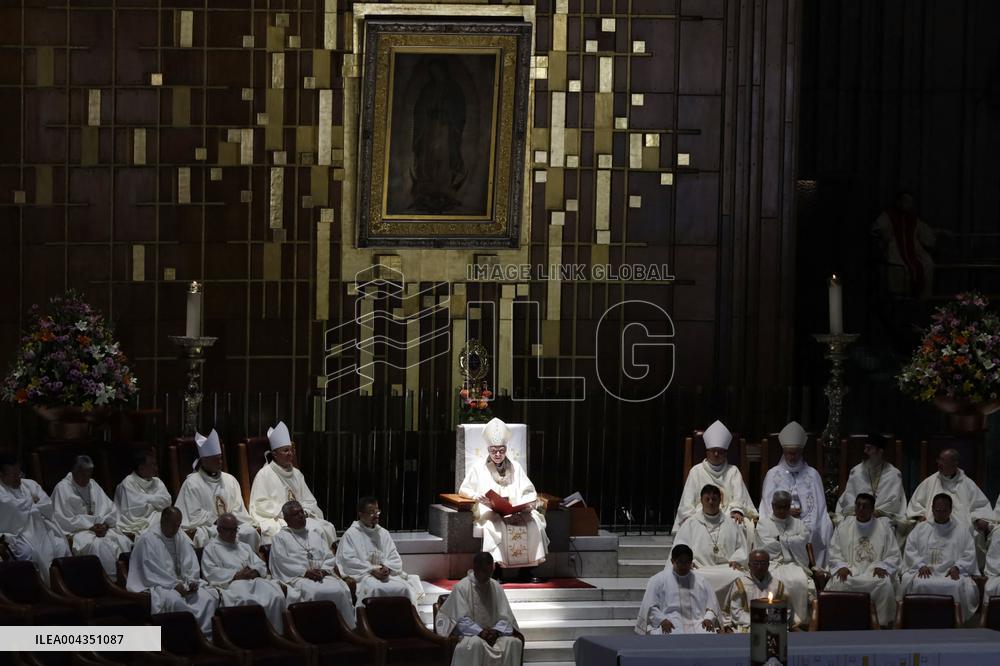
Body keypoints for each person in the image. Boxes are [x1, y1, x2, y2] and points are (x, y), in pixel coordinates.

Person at [459, 418, 548, 579]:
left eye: (501, 450)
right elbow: (464, 489)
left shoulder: (515, 466)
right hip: (491, 510)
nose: (498, 454)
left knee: (534, 522)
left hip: (515, 510)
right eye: (494, 451)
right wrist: (476, 496)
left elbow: (528, 489)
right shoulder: (479, 468)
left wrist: (526, 502)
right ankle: (497, 568)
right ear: (488, 449)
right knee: (493, 526)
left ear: (506, 449)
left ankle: (526, 571)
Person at [127, 507, 220, 638]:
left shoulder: (179, 537)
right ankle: (186, 638)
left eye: (178, 525)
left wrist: (191, 582)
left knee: (208, 597)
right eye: (173, 524)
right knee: (176, 602)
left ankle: (206, 637)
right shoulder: (148, 539)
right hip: (161, 586)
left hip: (182, 584)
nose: (176, 529)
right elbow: (150, 571)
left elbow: (190, 561)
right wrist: (173, 585)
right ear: (163, 521)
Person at [249, 420, 337, 547]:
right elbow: (259, 504)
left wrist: (304, 512)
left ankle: (317, 562)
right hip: (280, 519)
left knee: (325, 528)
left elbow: (309, 501)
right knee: (279, 532)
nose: (290, 454)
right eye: (285, 450)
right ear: (274, 454)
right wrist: (286, 514)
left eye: (291, 450)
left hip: (301, 518)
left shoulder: (297, 474)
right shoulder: (264, 474)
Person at [269, 500, 356, 628]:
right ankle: (314, 630)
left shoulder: (315, 534)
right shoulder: (280, 538)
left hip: (322, 575)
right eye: (296, 514)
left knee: (339, 589)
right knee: (314, 592)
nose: (301, 516)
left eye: (302, 512)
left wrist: (324, 570)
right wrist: (304, 572)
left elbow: (329, 556)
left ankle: (344, 628)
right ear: (287, 518)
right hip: (299, 578)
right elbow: (281, 562)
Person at [759, 421, 833, 567]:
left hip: (805, 521)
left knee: (819, 527)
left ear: (801, 452)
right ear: (784, 452)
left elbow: (820, 507)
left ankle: (813, 569)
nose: (792, 457)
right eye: (789, 453)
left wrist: (803, 515)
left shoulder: (812, 474)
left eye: (795, 453)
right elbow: (768, 505)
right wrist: (786, 513)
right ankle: (780, 565)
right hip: (779, 521)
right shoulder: (773, 474)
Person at [899, 493, 979, 625]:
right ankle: (919, 621)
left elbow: (969, 553)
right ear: (932, 508)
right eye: (938, 510)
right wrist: (920, 565)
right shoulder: (921, 528)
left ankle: (953, 622)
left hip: (951, 574)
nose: (941, 513)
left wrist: (958, 567)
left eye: (944, 510)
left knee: (956, 585)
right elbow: (910, 549)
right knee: (920, 583)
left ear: (951, 509)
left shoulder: (961, 530)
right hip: (925, 572)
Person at [174, 429, 260, 550]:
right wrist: (218, 520)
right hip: (209, 527)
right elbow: (193, 515)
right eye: (215, 459)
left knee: (249, 533)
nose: (220, 462)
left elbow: (238, 509)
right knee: (208, 536)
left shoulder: (230, 480)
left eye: (220, 458)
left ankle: (246, 563)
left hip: (233, 525)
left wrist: (230, 521)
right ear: (204, 461)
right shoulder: (192, 483)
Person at [824, 493, 901, 627]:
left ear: (872, 509)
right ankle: (843, 622)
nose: (860, 509)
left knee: (885, 584)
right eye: (858, 505)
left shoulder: (884, 528)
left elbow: (893, 554)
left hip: (874, 573)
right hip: (849, 571)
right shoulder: (844, 526)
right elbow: (834, 551)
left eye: (865, 506)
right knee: (840, 583)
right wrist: (841, 566)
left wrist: (884, 567)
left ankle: (881, 623)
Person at [906, 448, 993, 565]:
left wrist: (978, 518)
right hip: (934, 522)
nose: (939, 464)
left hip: (962, 524)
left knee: (975, 535)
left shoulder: (967, 483)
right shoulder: (930, 481)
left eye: (943, 460)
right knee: (920, 531)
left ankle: (963, 567)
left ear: (955, 463)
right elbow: (916, 504)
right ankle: (925, 565)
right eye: (939, 460)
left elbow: (980, 506)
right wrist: (920, 516)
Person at [201, 513, 286, 632]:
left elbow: (260, 564)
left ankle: (276, 632)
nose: (233, 533)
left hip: (254, 581)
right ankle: (249, 636)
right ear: (219, 529)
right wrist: (235, 575)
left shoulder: (243, 546)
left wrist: (255, 571)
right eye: (228, 530)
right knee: (245, 599)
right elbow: (210, 572)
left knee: (276, 596)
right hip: (232, 584)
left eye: (235, 529)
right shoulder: (211, 548)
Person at [672, 420, 757, 538]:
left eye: (720, 451)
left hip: (727, 513)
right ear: (707, 452)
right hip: (701, 513)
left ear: (726, 453)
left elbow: (739, 496)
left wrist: (737, 510)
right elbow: (687, 501)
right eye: (713, 451)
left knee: (739, 525)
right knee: (694, 525)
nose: (716, 454)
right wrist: (690, 517)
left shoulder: (733, 471)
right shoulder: (696, 471)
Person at [435, 552, 521, 666]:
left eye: (491, 572)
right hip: (471, 635)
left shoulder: (495, 586)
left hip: (493, 635)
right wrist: (480, 632)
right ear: (475, 568)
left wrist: (496, 631)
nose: (488, 576)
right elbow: (460, 620)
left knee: (512, 643)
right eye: (485, 571)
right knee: (475, 645)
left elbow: (505, 616)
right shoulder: (462, 587)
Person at [51, 455, 132, 576]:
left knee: (122, 541)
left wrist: (104, 525)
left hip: (101, 529)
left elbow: (110, 508)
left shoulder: (92, 484)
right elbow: (63, 519)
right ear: (75, 472)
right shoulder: (62, 488)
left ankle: (125, 578)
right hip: (78, 531)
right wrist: (90, 526)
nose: (87, 479)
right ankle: (108, 581)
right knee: (100, 546)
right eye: (84, 474)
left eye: (89, 474)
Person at [336, 496, 423, 606]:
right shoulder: (351, 534)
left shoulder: (383, 533)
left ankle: (404, 622)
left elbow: (394, 557)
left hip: (387, 576)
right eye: (371, 512)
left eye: (377, 511)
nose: (376, 515)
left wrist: (387, 567)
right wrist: (371, 569)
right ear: (361, 514)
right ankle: (370, 621)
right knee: (375, 589)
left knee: (404, 589)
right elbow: (348, 560)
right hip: (365, 577)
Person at [0, 452, 70, 584]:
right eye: (13, 474)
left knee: (60, 547)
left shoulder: (30, 484)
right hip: (17, 534)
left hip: (41, 528)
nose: (18, 477)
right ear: (1, 474)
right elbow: (10, 510)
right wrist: (31, 502)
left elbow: (47, 505)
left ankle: (60, 586)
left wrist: (26, 506)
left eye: (19, 472)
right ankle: (36, 590)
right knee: (30, 553)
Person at [672, 484, 747, 601]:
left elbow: (741, 547)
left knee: (740, 577)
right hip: (700, 568)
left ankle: (730, 612)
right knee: (690, 576)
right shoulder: (690, 523)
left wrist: (737, 559)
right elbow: (681, 546)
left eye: (714, 499)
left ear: (720, 500)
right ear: (701, 500)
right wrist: (686, 561)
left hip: (725, 569)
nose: (711, 502)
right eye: (707, 499)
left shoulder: (731, 524)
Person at [753, 490, 814, 627]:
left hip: (794, 563)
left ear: (789, 506)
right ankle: (774, 621)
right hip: (772, 563)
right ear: (773, 505)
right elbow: (767, 546)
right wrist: (791, 541)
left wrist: (781, 539)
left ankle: (798, 621)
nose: (781, 510)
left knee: (798, 580)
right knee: (772, 582)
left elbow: (803, 539)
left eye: (785, 507)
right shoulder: (763, 523)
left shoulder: (798, 524)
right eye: (778, 507)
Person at [635, 544, 720, 635]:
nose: (684, 566)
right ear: (672, 561)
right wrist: (662, 620)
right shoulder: (658, 580)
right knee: (668, 634)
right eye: (680, 562)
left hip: (697, 623)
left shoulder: (701, 581)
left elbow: (711, 606)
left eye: (687, 562)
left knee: (707, 633)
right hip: (670, 622)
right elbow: (651, 607)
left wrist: (708, 618)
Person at [835, 434, 908, 539]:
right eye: (865, 448)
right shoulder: (856, 472)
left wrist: (875, 512)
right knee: (846, 527)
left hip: (882, 516)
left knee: (886, 528)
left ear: (880, 451)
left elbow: (894, 503)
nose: (865, 451)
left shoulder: (894, 474)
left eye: (869, 448)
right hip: (857, 514)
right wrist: (861, 511)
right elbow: (849, 497)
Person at [871, 190, 936, 299]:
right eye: (906, 201)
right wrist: (884, 235)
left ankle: (921, 299)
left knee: (927, 263)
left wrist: (941, 232)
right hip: (895, 251)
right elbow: (878, 229)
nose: (908, 205)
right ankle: (899, 299)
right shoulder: (888, 216)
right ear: (898, 202)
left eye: (910, 202)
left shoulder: (913, 219)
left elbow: (925, 232)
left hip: (914, 252)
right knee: (898, 268)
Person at [723, 550, 787, 633]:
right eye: (756, 563)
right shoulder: (741, 583)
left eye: (763, 563)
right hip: (748, 624)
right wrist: (758, 620)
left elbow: (784, 610)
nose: (759, 567)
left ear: (768, 565)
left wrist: (772, 619)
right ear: (749, 565)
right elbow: (736, 612)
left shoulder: (777, 585)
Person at [114, 449, 172, 537]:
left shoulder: (157, 481)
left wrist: (146, 499)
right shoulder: (128, 483)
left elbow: (167, 502)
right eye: (152, 465)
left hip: (158, 519)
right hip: (138, 524)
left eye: (155, 464)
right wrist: (155, 503)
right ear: (141, 468)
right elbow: (133, 511)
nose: (156, 468)